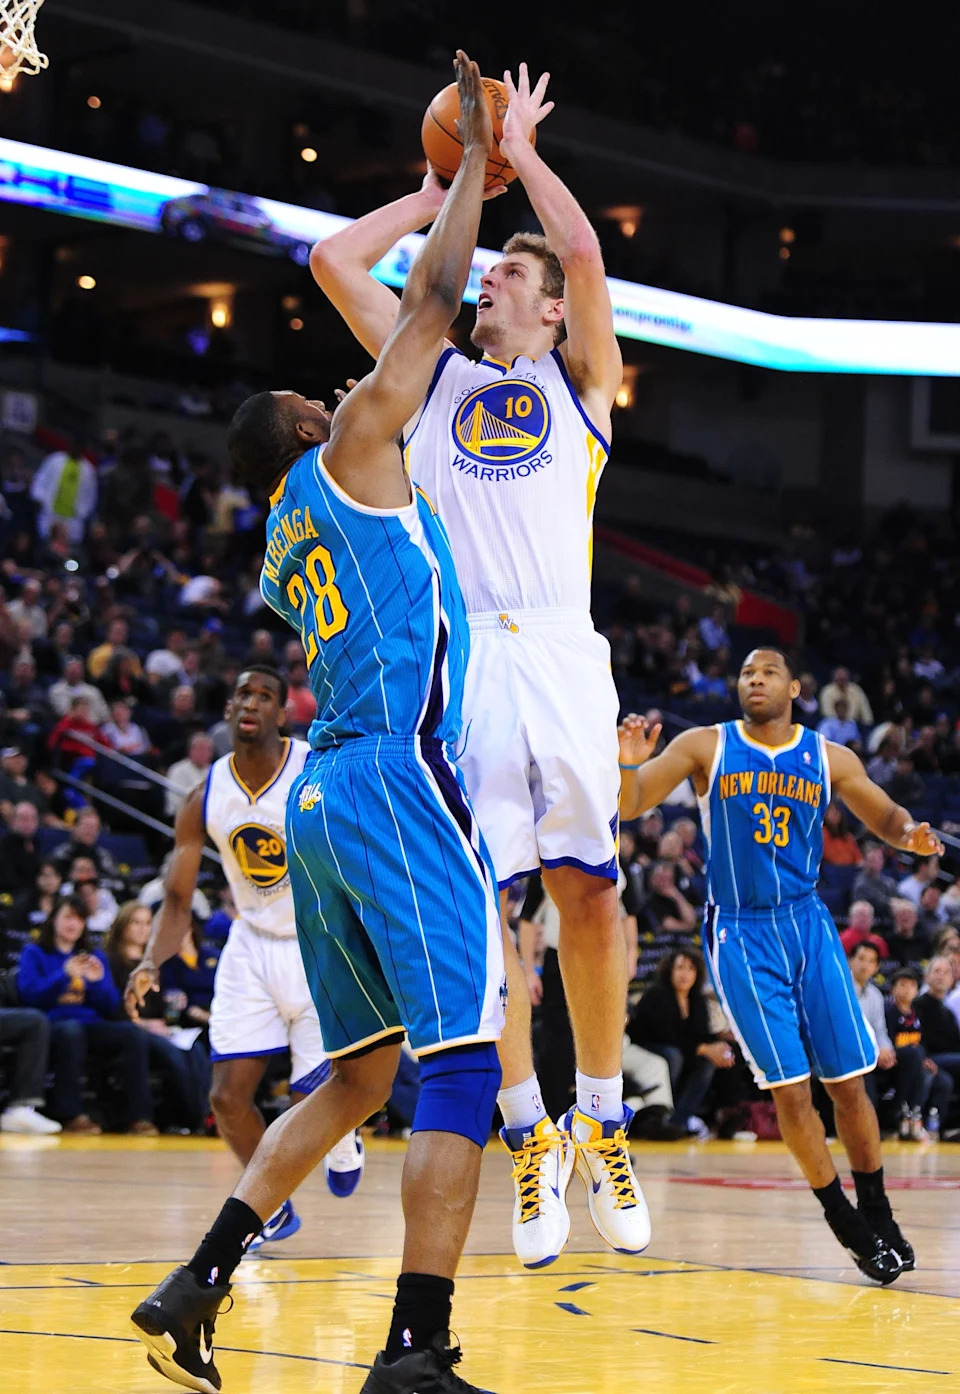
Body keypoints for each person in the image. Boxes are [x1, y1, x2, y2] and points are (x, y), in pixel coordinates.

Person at [130, 58, 505, 1394]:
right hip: (390, 777)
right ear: (306, 423)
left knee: (355, 1076)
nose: (332, 387)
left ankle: (197, 1280)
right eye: (315, 392)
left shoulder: (287, 530)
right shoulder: (348, 449)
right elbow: (432, 305)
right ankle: (414, 1349)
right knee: (463, 1066)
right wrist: (470, 171)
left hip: (324, 797)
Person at [311, 62, 647, 1269]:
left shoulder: (581, 382)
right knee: (486, 907)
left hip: (560, 644)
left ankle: (603, 1116)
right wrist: (437, 188)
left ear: (551, 313)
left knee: (589, 891)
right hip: (469, 660)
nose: (491, 277)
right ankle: (530, 1132)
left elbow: (586, 256)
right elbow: (334, 261)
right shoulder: (433, 371)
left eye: (512, 273)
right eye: (489, 267)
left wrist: (526, 153)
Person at [617, 646, 943, 1284]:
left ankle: (878, 1210)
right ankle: (844, 1221)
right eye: (746, 673)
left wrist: (910, 834)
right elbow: (631, 804)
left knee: (848, 1083)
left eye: (768, 672)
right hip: (741, 932)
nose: (755, 680)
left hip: (807, 923)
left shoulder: (827, 756)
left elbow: (884, 815)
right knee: (790, 1089)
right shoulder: (705, 745)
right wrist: (628, 763)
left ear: (794, 687)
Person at [128, 668, 365, 1242]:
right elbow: (178, 900)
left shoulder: (314, 767)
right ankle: (272, 1210)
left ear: (283, 714)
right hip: (252, 945)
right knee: (227, 1098)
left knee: (313, 1100)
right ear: (228, 710)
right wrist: (150, 960)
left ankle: (344, 1131)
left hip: (318, 942)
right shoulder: (204, 797)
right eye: (242, 695)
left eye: (264, 696)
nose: (251, 704)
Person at [17, 895, 157, 1135]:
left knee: (131, 1034)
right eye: (68, 917)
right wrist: (63, 975)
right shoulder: (35, 953)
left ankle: (137, 1116)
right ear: (54, 920)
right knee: (71, 1033)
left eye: (80, 919)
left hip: (90, 1024)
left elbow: (111, 1005)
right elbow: (29, 996)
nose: (73, 924)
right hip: (53, 1023)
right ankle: (70, 1114)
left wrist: (97, 983)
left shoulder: (95, 956)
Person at [105, 903, 209, 1133]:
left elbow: (165, 1003)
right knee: (173, 1056)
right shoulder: (110, 960)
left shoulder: (157, 963)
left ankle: (206, 1116)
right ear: (122, 925)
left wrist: (171, 1011)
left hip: (161, 1028)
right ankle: (193, 1118)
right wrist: (143, 1024)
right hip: (128, 1027)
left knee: (197, 1052)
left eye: (147, 923)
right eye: (136, 922)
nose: (142, 929)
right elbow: (109, 1004)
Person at [628, 949, 735, 1134]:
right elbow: (665, 1036)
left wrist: (719, 1046)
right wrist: (704, 1048)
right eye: (680, 968)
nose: (685, 974)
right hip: (648, 1047)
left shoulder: (698, 1000)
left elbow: (700, 1035)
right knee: (673, 1056)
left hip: (684, 1050)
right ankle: (659, 1114)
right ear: (670, 970)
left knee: (707, 1062)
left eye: (690, 968)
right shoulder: (656, 995)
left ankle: (680, 1121)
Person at [885, 968, 952, 1139]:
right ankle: (906, 1117)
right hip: (897, 1061)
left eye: (912, 985)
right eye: (902, 985)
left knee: (943, 1081)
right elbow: (888, 1041)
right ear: (893, 989)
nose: (907, 989)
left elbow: (922, 1042)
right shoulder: (889, 1012)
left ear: (917, 990)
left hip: (918, 1060)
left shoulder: (918, 1014)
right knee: (921, 1070)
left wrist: (926, 1059)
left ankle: (932, 1125)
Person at [847, 941, 898, 1114]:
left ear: (876, 968)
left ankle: (902, 1117)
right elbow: (848, 1031)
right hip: (849, 1053)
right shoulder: (840, 990)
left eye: (871, 961)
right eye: (861, 958)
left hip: (871, 1054)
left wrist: (886, 1050)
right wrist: (876, 1052)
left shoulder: (876, 995)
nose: (865, 965)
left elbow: (880, 1030)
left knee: (911, 1057)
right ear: (850, 961)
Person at [852, 843, 899, 917]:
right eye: (872, 859)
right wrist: (893, 903)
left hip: (891, 918)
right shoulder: (861, 884)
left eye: (879, 858)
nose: (876, 861)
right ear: (865, 861)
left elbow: (899, 897)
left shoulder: (890, 882)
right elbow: (877, 902)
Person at [821, 802, 863, 866]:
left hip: (851, 869)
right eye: (831, 811)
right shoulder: (823, 833)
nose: (834, 814)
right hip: (832, 869)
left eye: (836, 811)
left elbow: (858, 858)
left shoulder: (848, 837)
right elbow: (830, 857)